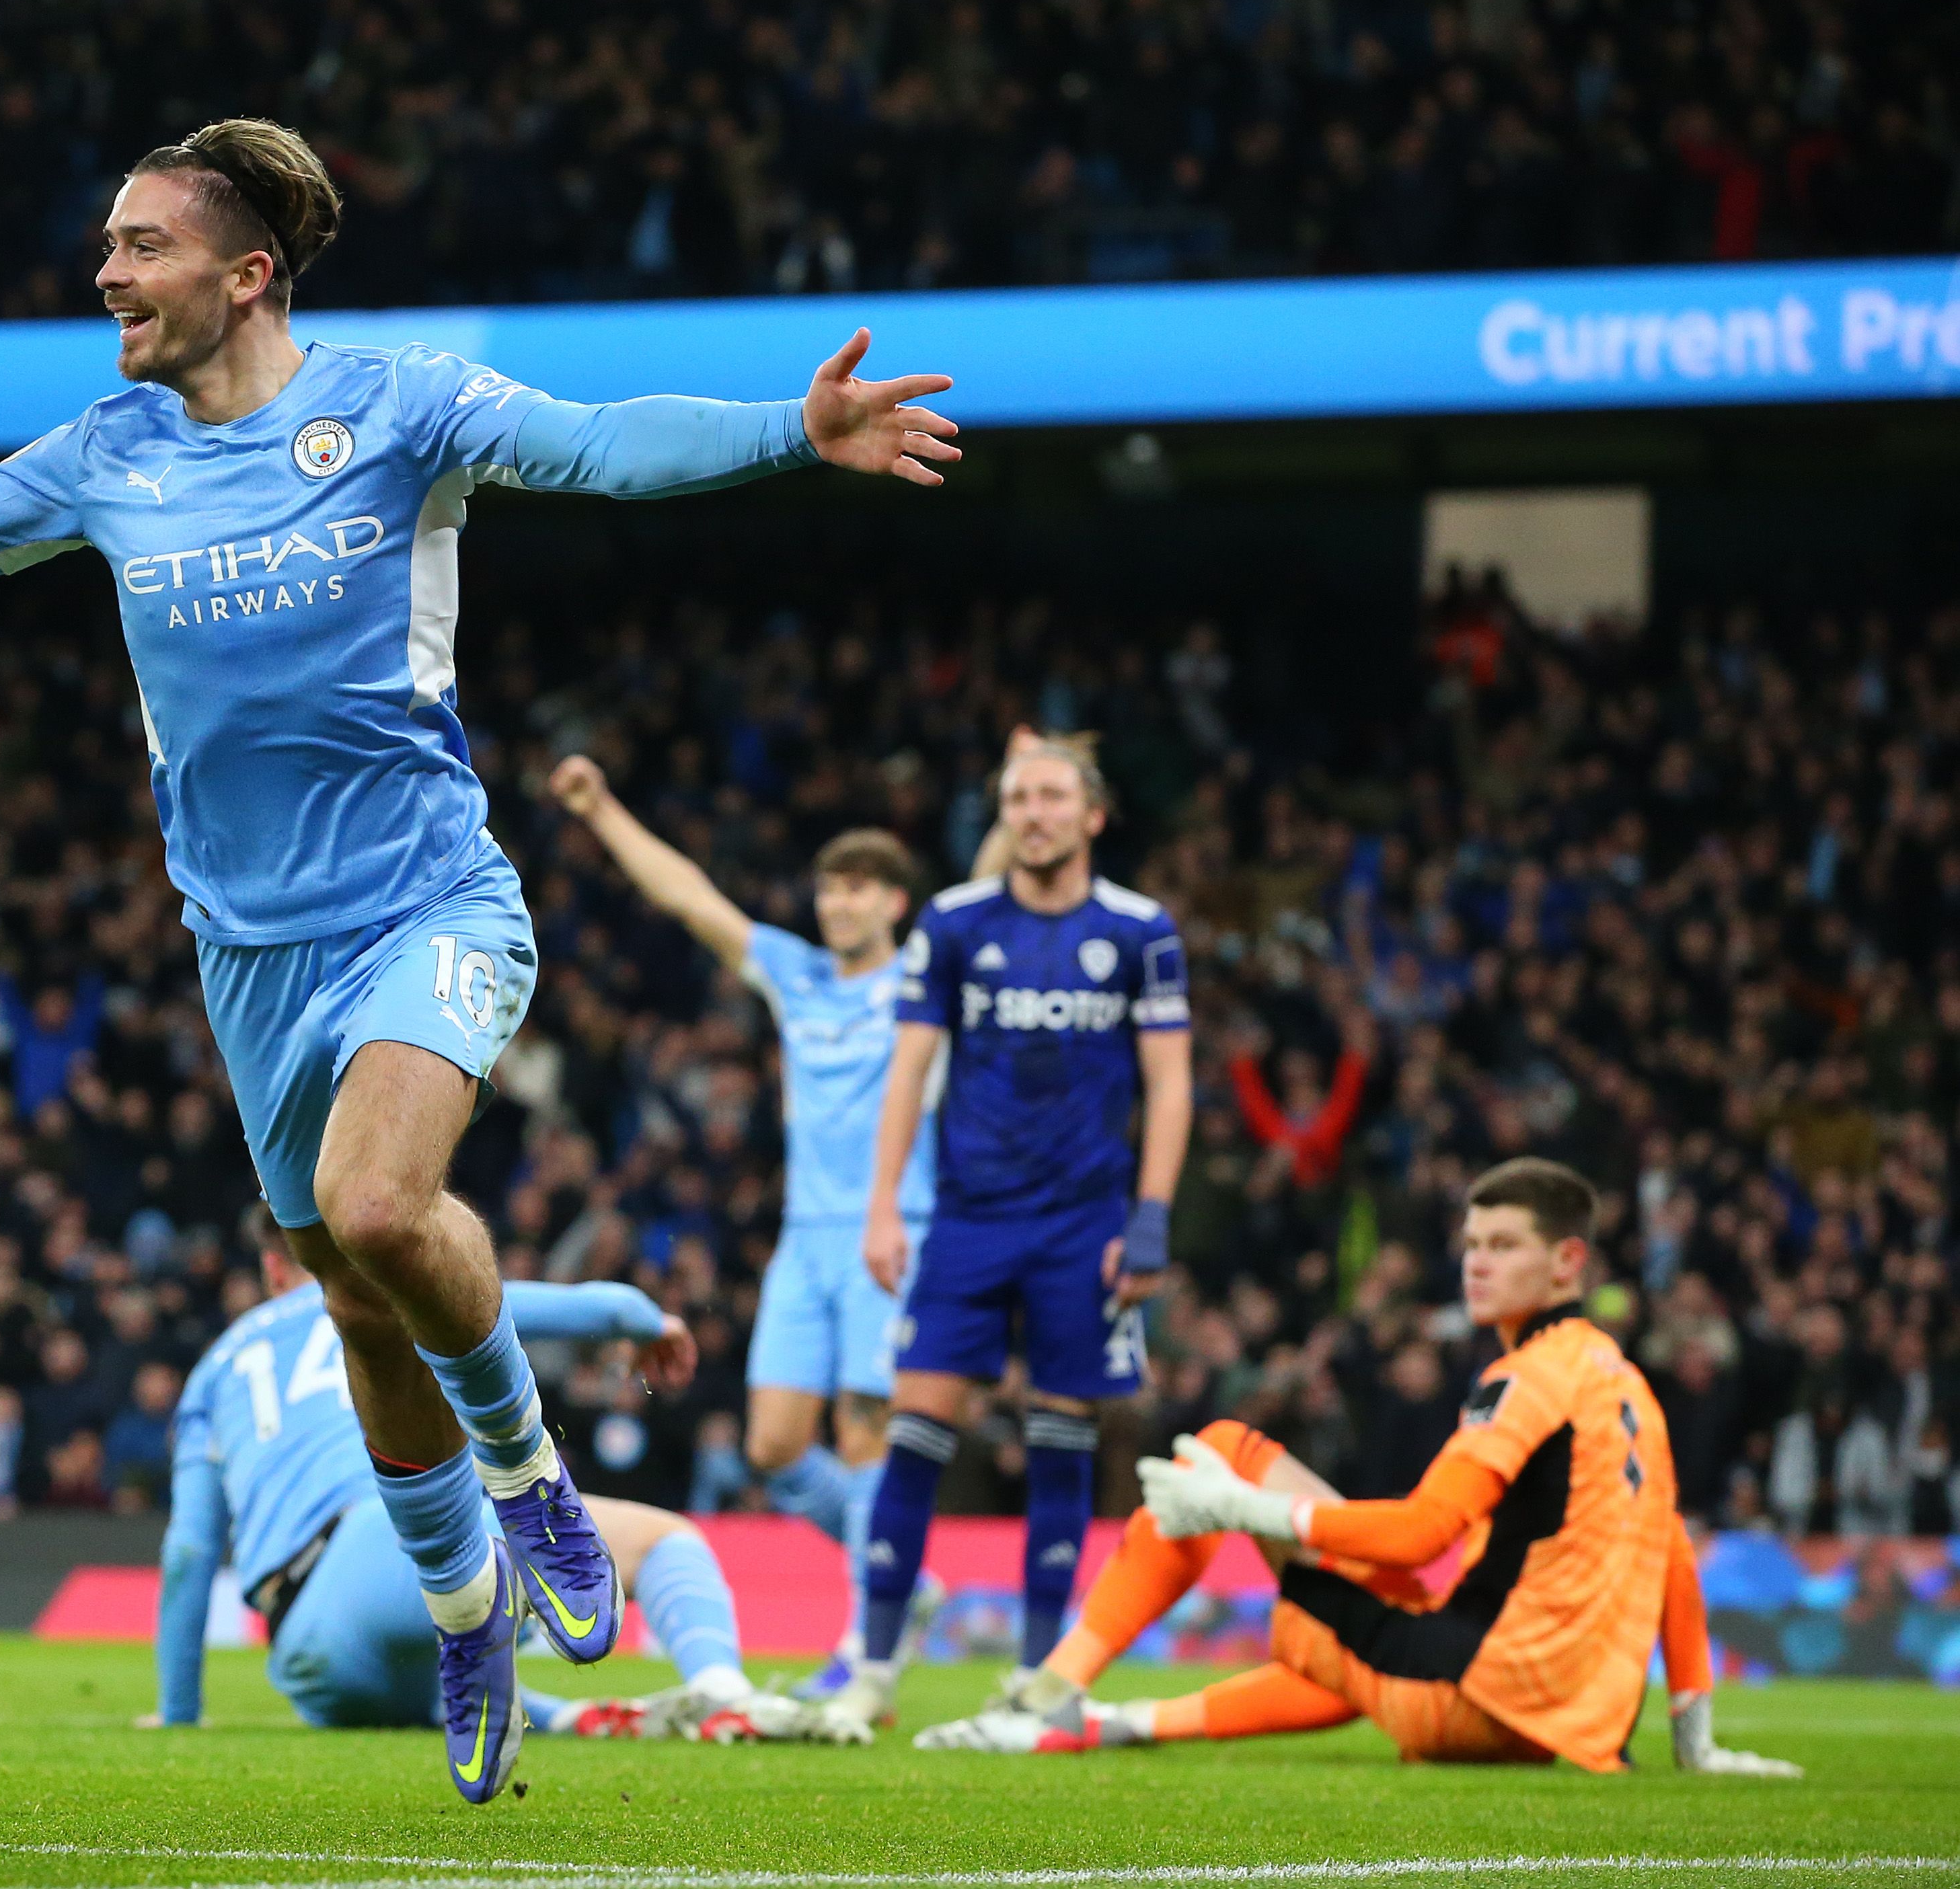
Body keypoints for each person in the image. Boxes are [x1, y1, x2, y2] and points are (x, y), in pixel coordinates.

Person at [0, 116, 957, 1802]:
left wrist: (789, 425)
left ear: (244, 272)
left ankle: (526, 1477)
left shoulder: (398, 410)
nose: (107, 271)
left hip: (428, 903)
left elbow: (604, 442)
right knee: (348, 1288)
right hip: (247, 958)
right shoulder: (106, 453)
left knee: (386, 1206)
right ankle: (465, 1607)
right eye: (107, 245)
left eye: (140, 245)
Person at [920, 1157, 1801, 1777]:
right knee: (1354, 1645)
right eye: (1471, 1242)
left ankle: (1045, 1693)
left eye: (1503, 1243)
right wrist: (1697, 1737)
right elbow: (1673, 1556)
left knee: (1224, 1448)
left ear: (1569, 1259)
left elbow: (1424, 1532)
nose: (1477, 1262)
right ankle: (1102, 1723)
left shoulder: (1526, 1377)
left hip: (1467, 1688)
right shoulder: (1629, 1386)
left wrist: (1239, 1505)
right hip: (1563, 1725)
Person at [149, 1212, 844, 1769]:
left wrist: (179, 1713)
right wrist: (649, 1322)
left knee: (444, 1679)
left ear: (275, 1266)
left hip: (306, 1657)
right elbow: (590, 1309)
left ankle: (570, 1715)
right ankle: (724, 1692)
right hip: (379, 1548)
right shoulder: (388, 1290)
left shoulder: (213, 1369)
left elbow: (189, 1552)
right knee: (668, 1540)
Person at [546, 754, 944, 1696]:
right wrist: (603, 808)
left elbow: (991, 880)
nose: (835, 905)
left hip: (894, 1228)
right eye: (828, 888)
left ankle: (865, 1647)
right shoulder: (799, 974)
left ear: (895, 900)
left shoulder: (931, 976)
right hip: (806, 1239)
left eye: (855, 890)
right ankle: (907, 1574)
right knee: (770, 1445)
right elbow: (692, 898)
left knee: (865, 1438)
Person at [829, 734, 1193, 1732]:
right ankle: (871, 1669)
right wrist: (880, 1206)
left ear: (1092, 816)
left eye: (1051, 795)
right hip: (968, 1220)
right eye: (1017, 796)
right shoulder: (952, 921)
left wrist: (1150, 1217)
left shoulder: (1140, 929)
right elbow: (908, 1070)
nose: (1033, 811)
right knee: (913, 1433)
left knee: (1063, 1438)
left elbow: (1169, 1080)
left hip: (1085, 1224)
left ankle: (1043, 1675)